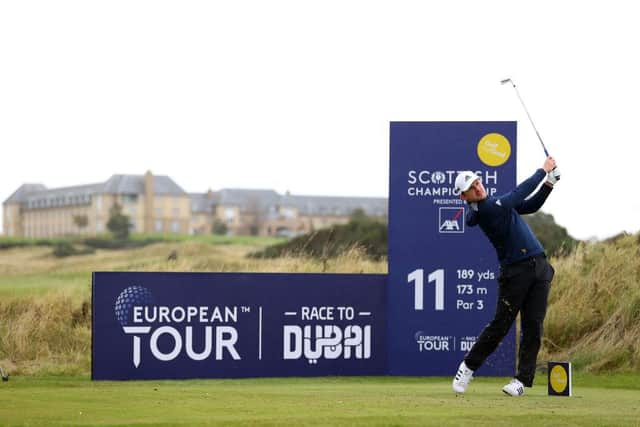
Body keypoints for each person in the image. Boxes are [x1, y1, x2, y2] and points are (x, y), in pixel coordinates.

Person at [451, 157, 559, 396]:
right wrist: (543, 170)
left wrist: (549, 184)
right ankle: (468, 366)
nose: (478, 187)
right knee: (501, 325)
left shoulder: (493, 203)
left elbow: (529, 206)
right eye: (471, 188)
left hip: (539, 266)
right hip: (515, 271)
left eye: (477, 182)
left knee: (533, 326)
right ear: (464, 197)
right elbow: (520, 193)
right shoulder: (488, 208)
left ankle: (521, 381)